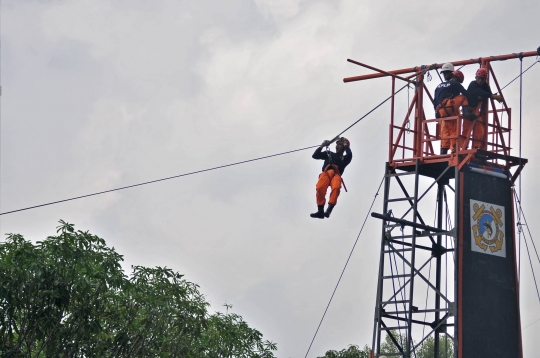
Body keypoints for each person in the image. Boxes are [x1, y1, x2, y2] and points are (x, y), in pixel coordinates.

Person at [433, 64, 475, 154]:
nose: (444, 75)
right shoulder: (456, 84)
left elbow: (435, 100)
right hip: (448, 107)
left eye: (445, 73)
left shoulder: (439, 85)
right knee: (454, 130)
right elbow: (466, 94)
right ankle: (454, 151)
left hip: (440, 110)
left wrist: (436, 112)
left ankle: (443, 151)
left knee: (445, 130)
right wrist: (475, 100)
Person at [310, 137, 352, 219]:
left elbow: (349, 155)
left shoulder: (345, 159)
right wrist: (322, 145)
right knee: (320, 187)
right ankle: (320, 211)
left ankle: (329, 210)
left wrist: (345, 145)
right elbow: (315, 156)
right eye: (337, 144)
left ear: (344, 147)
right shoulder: (329, 153)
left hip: (336, 175)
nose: (337, 146)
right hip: (326, 173)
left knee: (336, 188)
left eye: (340, 145)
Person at [462, 68, 504, 149]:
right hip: (468, 110)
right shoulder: (473, 84)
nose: (480, 81)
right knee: (466, 131)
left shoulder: (485, 85)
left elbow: (488, 94)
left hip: (476, 111)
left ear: (485, 79)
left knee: (480, 130)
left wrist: (493, 96)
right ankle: (464, 147)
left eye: (482, 79)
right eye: (479, 78)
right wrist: (492, 96)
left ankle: (476, 147)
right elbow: (479, 92)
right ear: (476, 78)